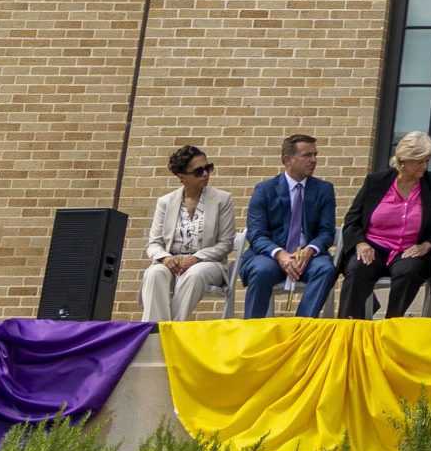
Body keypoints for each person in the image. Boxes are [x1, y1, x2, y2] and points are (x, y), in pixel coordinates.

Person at [340, 130, 431, 319]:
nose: (424, 166)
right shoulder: (376, 182)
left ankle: (391, 323)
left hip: (409, 250)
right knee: (357, 268)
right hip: (373, 247)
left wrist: (426, 246)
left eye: (427, 161)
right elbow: (352, 220)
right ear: (403, 160)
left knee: (408, 271)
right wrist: (361, 243)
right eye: (419, 161)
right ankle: (348, 327)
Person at [239, 133, 338, 318]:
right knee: (261, 270)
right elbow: (256, 234)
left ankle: (300, 328)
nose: (313, 160)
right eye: (307, 155)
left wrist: (310, 250)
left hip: (307, 257)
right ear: (287, 159)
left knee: (325, 269)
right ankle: (252, 330)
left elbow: (326, 232)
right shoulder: (265, 190)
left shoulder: (324, 190)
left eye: (315, 155)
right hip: (270, 255)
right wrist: (280, 254)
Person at [141, 145, 236, 322]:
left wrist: (195, 258)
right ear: (182, 177)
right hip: (172, 262)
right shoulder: (165, 202)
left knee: (194, 274)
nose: (206, 174)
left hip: (207, 263)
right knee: (154, 274)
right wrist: (166, 258)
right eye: (199, 171)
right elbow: (154, 243)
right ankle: (153, 332)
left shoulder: (222, 199)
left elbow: (225, 244)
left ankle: (172, 330)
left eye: (208, 168)